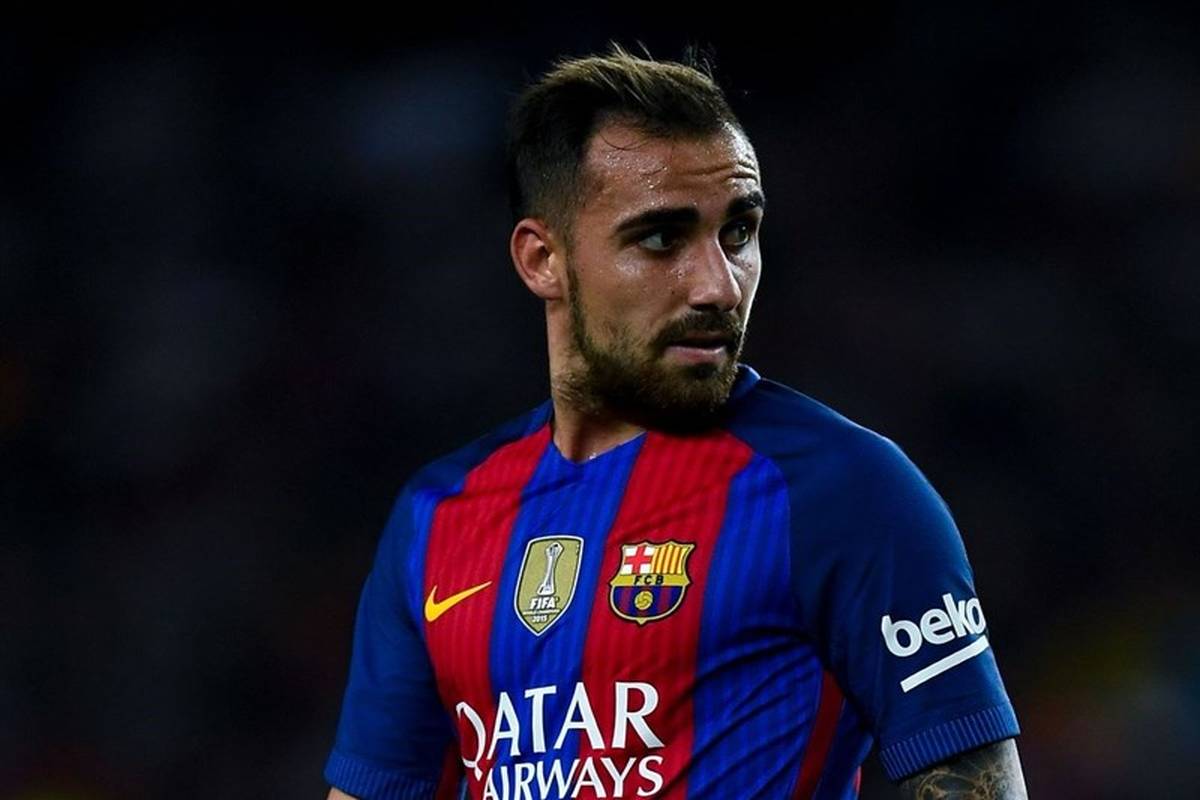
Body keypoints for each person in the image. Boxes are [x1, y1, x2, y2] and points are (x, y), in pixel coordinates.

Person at [322, 44, 1027, 800]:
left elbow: (976, 782)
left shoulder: (846, 491)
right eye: (662, 238)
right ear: (542, 260)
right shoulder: (437, 517)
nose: (719, 285)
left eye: (738, 232)